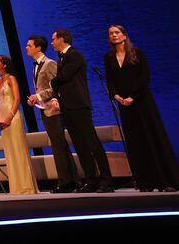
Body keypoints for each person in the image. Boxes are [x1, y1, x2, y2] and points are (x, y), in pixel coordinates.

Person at [104, 25, 179, 192]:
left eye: (117, 32)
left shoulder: (137, 53)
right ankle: (146, 182)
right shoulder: (109, 57)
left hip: (142, 102)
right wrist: (116, 96)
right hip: (124, 104)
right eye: (111, 34)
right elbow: (110, 80)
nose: (114, 35)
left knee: (152, 137)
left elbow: (144, 78)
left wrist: (133, 96)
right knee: (135, 142)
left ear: (124, 35)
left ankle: (167, 180)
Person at [49, 29, 114, 193]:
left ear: (62, 39)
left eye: (53, 39)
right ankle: (91, 180)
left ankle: (106, 180)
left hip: (78, 105)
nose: (52, 43)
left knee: (92, 142)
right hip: (67, 106)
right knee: (79, 144)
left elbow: (64, 77)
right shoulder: (62, 58)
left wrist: (53, 82)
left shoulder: (75, 55)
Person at [25, 35, 79, 193]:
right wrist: (36, 99)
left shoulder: (49, 63)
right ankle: (72, 181)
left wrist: (39, 96)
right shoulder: (36, 65)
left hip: (54, 109)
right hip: (45, 109)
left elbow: (56, 85)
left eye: (29, 45)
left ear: (38, 48)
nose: (26, 48)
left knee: (58, 145)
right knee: (60, 145)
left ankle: (65, 182)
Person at [0, 55, 38, 194]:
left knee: (18, 150)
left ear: (4, 65)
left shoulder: (11, 78)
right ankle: (16, 187)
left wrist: (9, 117)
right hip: (3, 120)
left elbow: (17, 99)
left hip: (13, 118)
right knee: (10, 152)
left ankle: (26, 187)